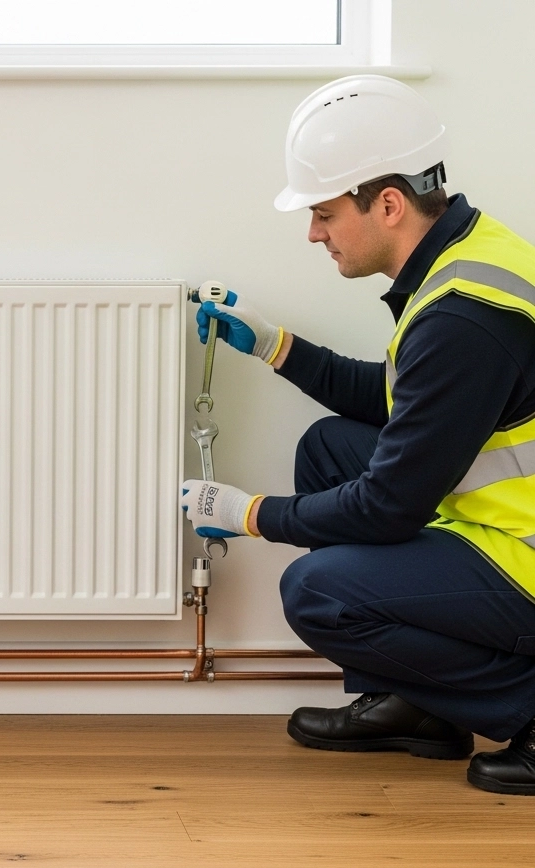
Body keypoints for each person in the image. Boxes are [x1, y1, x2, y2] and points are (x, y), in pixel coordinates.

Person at [181, 75, 535, 796]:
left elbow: (389, 505)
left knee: (317, 591)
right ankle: (420, 709)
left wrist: (249, 514)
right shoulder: (464, 257)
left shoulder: (464, 318)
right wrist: (274, 345)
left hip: (523, 559)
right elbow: (408, 400)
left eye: (323, 213)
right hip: (499, 522)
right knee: (328, 448)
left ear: (389, 204)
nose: (315, 233)